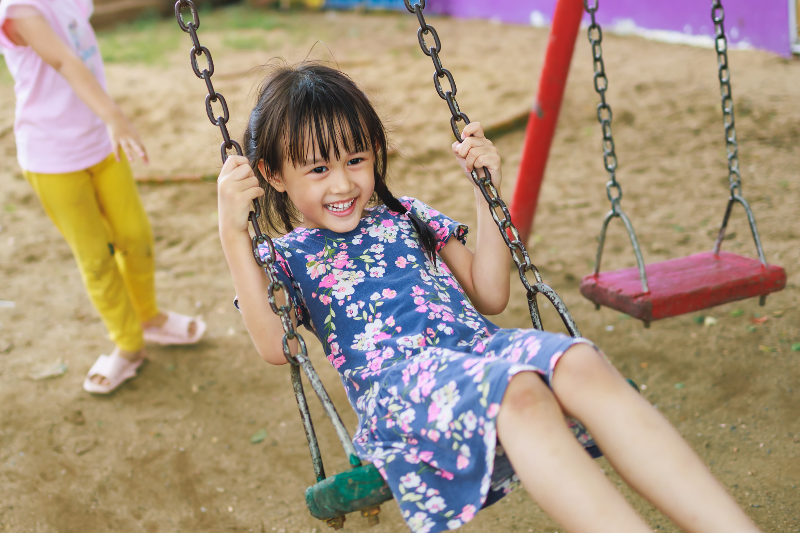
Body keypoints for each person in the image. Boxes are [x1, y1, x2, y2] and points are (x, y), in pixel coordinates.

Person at [217, 62, 760, 533]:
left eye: (355, 160)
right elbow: (275, 345)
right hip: (404, 389)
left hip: (480, 351)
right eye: (318, 169)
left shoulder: (406, 214)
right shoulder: (286, 257)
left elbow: (491, 292)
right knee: (521, 390)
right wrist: (232, 234)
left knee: (582, 361)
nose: (342, 184)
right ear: (273, 175)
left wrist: (484, 189)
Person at [0, 0, 206, 394]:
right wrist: (115, 116)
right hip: (52, 157)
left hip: (100, 145)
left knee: (136, 235)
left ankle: (148, 317)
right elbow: (62, 61)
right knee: (96, 257)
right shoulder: (18, 9)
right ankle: (128, 345)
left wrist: (107, 123)